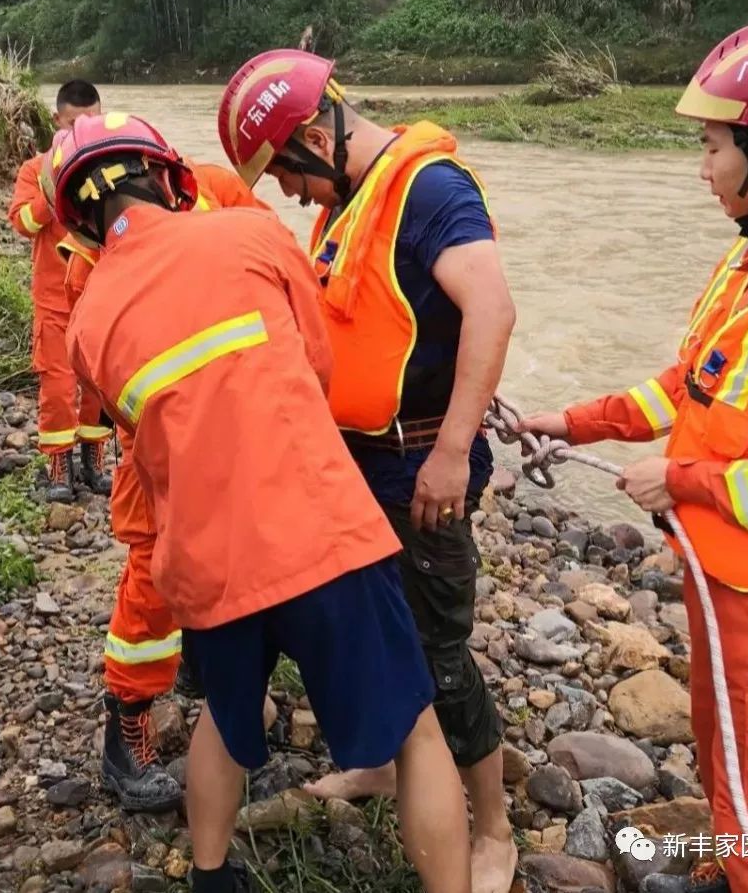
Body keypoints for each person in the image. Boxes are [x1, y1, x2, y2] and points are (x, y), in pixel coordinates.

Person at [54, 112, 472, 893]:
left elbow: (143, 438)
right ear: (170, 175)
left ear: (80, 219)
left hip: (207, 562)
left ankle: (211, 877)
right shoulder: (247, 234)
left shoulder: (87, 320)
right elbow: (318, 368)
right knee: (416, 731)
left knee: (222, 717)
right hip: (320, 533)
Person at [218, 50, 519, 893]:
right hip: (359, 463)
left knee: (440, 651)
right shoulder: (350, 203)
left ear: (318, 134)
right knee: (378, 631)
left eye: (284, 168)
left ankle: (492, 828)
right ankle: (392, 764)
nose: (284, 189)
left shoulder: (430, 190)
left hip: (423, 459)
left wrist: (453, 451)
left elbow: (491, 306)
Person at [518, 18, 748, 893]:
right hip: (722, 582)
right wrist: (569, 422)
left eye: (713, 145)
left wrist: (676, 480)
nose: (702, 167)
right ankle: (728, 863)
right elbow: (684, 389)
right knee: (725, 760)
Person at [55, 147, 275, 812]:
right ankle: (126, 724)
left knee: (246, 567)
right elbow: (102, 368)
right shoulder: (89, 257)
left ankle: (225, 699)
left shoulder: (217, 192)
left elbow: (276, 273)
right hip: (159, 439)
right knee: (152, 582)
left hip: (242, 419)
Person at [7, 79, 111, 502]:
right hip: (54, 300)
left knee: (100, 384)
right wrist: (55, 188)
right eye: (73, 124)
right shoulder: (36, 169)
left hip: (100, 297)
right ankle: (58, 467)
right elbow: (21, 223)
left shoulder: (110, 165)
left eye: (92, 121)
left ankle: (95, 461)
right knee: (57, 386)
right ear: (57, 122)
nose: (83, 131)